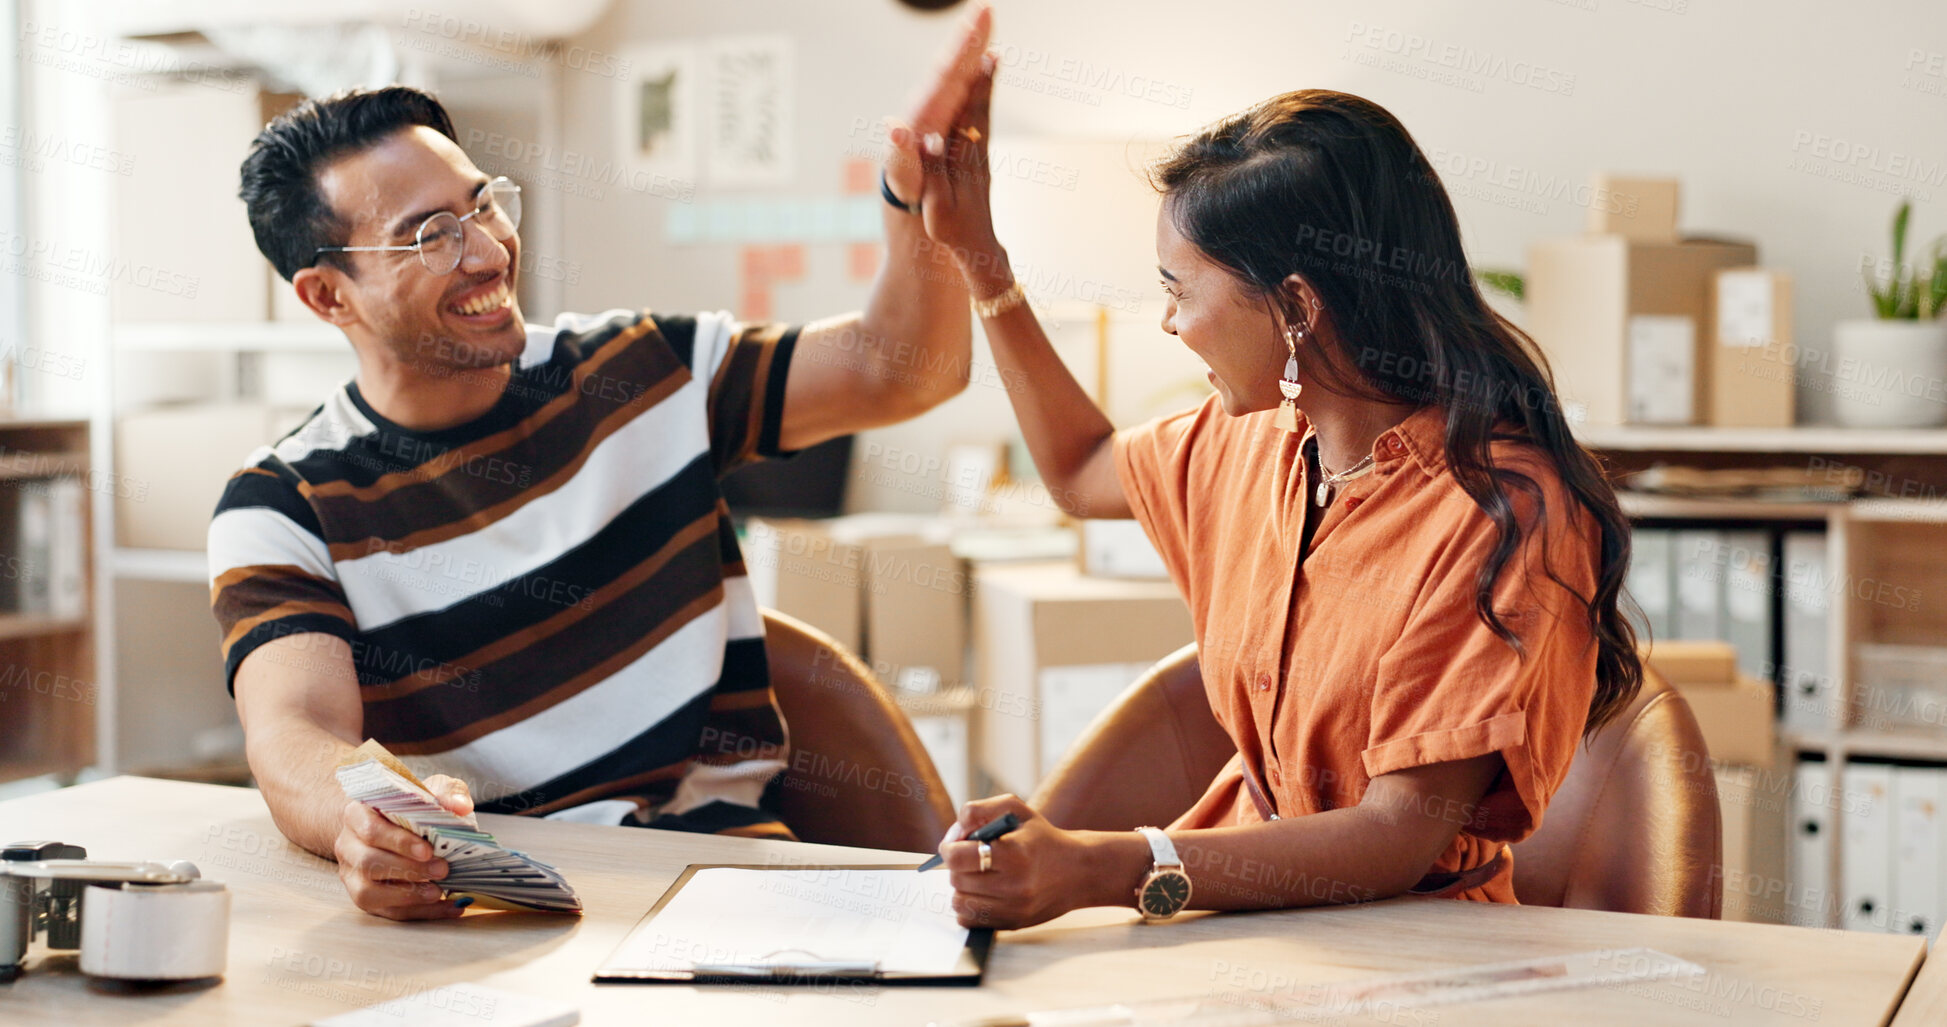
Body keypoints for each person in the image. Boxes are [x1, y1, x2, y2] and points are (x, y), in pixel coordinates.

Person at [213, 12, 999, 920]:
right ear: (326, 294)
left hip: (724, 881)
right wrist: (361, 819)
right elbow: (295, 733)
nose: (486, 250)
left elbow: (904, 370)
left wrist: (918, 201)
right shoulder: (283, 501)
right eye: (430, 235)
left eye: (482, 203)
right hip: (494, 902)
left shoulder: (639, 368)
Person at [917, 77, 1643, 927]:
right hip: (1234, 927)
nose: (1169, 323)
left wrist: (1111, 864)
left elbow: (1394, 834)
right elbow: (1079, 469)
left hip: (1412, 953)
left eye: (1180, 291)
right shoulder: (1251, 438)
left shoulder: (1503, 513)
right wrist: (980, 261)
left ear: (1296, 305)